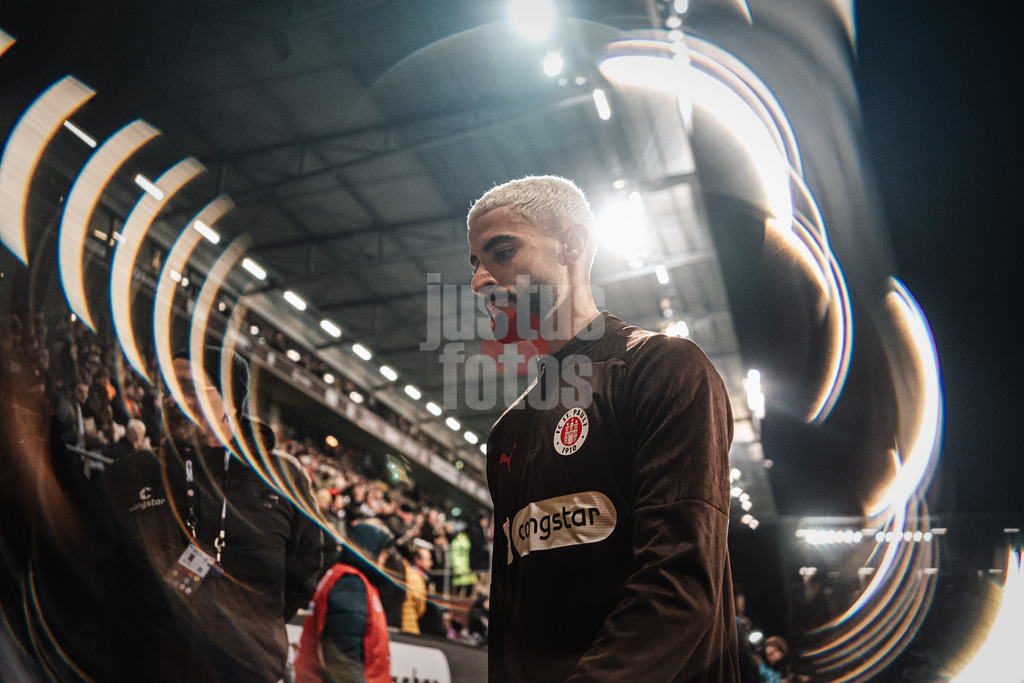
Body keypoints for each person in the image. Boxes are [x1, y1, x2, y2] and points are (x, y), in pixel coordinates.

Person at [467, 176, 739, 681]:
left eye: (500, 252)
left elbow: (678, 585)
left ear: (573, 243)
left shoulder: (663, 368)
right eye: (475, 263)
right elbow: (507, 617)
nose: (481, 279)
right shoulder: (507, 432)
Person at [103, 356, 324, 681]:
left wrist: (252, 628)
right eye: (168, 388)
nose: (173, 399)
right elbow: (108, 569)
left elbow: (303, 575)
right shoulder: (135, 473)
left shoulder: (284, 478)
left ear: (230, 401)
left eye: (190, 388)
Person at [294, 522, 393, 683]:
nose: (385, 558)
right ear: (369, 549)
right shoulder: (350, 584)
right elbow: (343, 658)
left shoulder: (352, 581)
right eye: (383, 552)